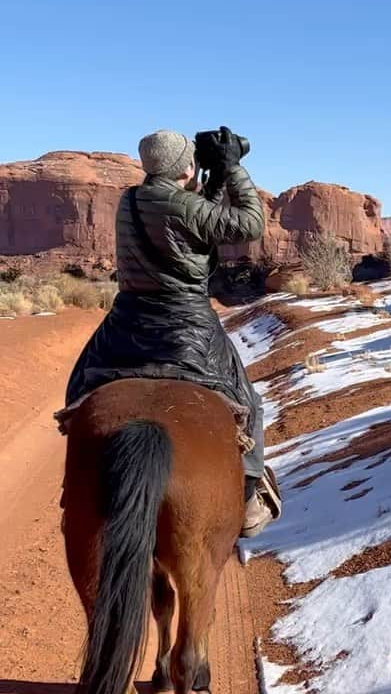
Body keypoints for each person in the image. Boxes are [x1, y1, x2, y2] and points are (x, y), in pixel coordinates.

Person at [61, 127, 280, 538]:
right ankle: (250, 494)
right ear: (185, 165)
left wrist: (208, 183)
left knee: (79, 384)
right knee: (248, 401)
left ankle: (73, 477)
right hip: (186, 324)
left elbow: (190, 221)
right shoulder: (183, 205)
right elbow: (249, 224)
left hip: (127, 319)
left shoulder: (129, 200)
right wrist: (231, 168)